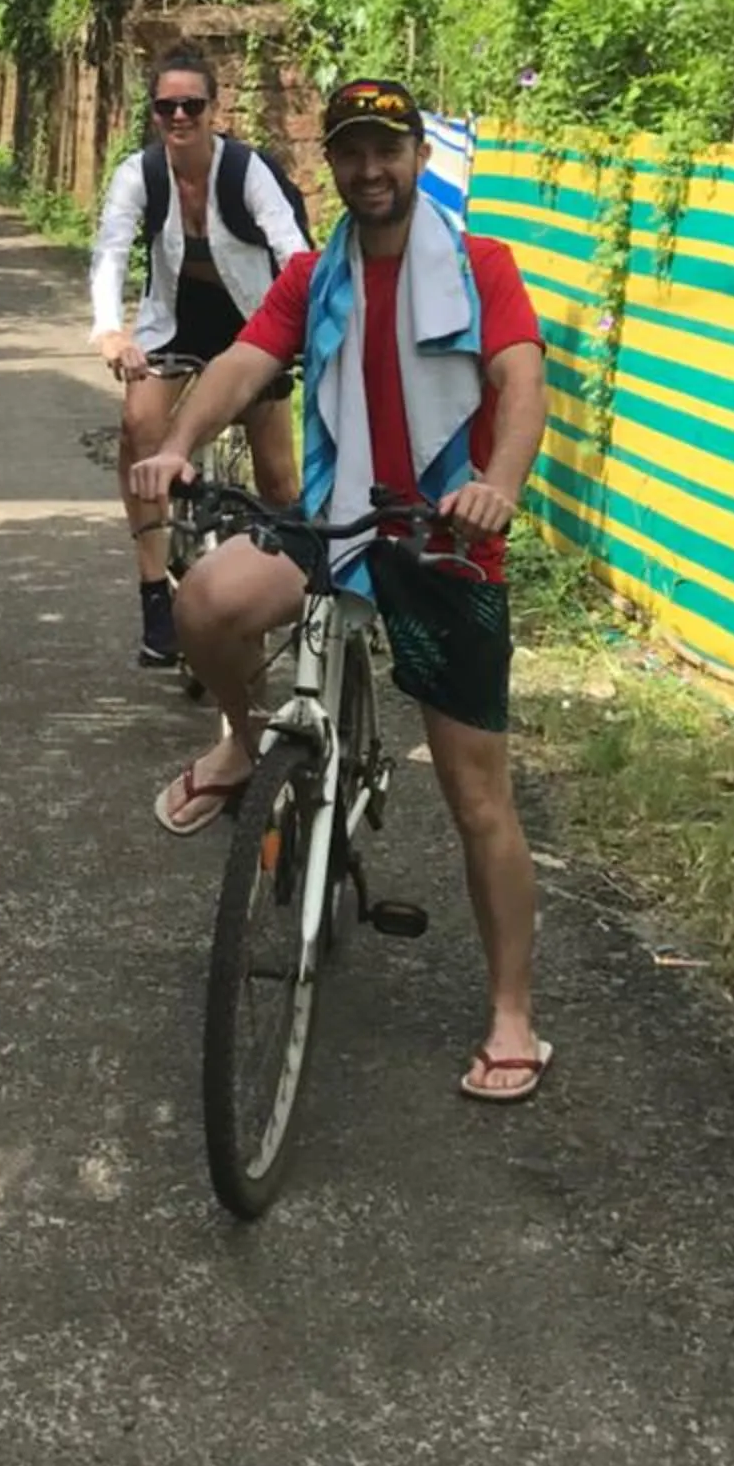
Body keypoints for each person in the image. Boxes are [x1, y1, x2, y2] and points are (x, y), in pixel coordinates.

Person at [131, 77, 554, 1104]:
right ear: (333, 163)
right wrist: (178, 442)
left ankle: (514, 1017)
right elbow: (243, 361)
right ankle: (243, 741)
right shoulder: (316, 278)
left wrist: (497, 487)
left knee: (476, 798)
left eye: (386, 150)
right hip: (338, 518)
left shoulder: (481, 266)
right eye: (351, 152)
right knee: (204, 606)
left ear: (416, 158)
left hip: (445, 539)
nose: (369, 170)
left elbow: (521, 381)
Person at [89, 45, 309, 670]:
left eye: (192, 104)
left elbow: (292, 251)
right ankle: (156, 594)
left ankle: (302, 592)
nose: (179, 115)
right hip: (174, 324)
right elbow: (110, 251)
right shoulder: (142, 174)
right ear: (154, 114)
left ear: (213, 109)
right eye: (167, 106)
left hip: (253, 324)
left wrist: (300, 332)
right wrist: (111, 333)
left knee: (277, 479)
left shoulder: (247, 172)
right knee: (139, 429)